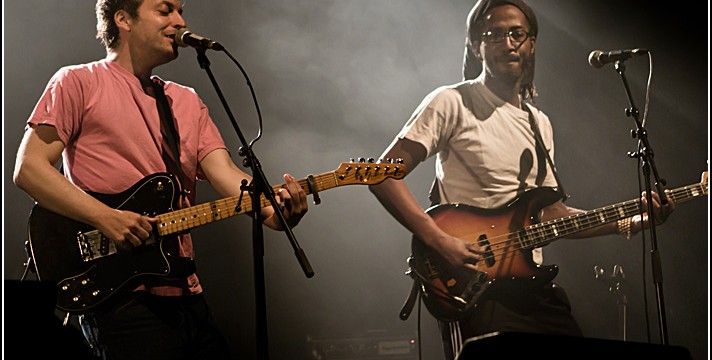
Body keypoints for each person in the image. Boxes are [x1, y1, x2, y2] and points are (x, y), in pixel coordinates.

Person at [368, 0, 675, 359]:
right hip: (474, 287)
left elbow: (549, 214)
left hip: (532, 287)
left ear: (531, 43)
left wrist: (632, 220)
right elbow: (381, 175)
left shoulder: (539, 123)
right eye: (494, 34)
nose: (507, 42)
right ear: (475, 45)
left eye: (517, 33)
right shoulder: (451, 102)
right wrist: (438, 241)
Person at [12, 0, 309, 359]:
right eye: (165, 10)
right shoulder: (77, 81)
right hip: (120, 297)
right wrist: (106, 218)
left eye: (181, 11)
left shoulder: (186, 100)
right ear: (123, 18)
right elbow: (29, 169)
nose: (180, 21)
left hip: (187, 292)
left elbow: (229, 176)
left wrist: (278, 213)